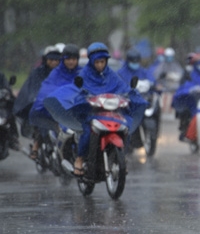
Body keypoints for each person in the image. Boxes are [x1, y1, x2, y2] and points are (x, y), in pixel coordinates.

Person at [44, 42, 146, 177]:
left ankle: (122, 157)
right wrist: (85, 98)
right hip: (91, 112)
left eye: (102, 62)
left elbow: (123, 88)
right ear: (92, 61)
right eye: (97, 62)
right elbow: (77, 92)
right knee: (87, 131)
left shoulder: (112, 75)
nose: (100, 65)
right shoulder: (83, 75)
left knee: (127, 127)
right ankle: (80, 159)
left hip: (110, 112)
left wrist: (131, 94)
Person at [28, 44, 82, 158]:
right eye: (68, 59)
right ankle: (38, 145)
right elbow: (47, 90)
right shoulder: (55, 73)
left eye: (74, 59)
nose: (71, 62)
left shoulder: (82, 73)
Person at [13, 45, 62, 154]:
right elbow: (33, 88)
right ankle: (36, 145)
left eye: (56, 60)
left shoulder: (63, 73)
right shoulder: (38, 72)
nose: (54, 62)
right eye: (51, 59)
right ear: (46, 59)